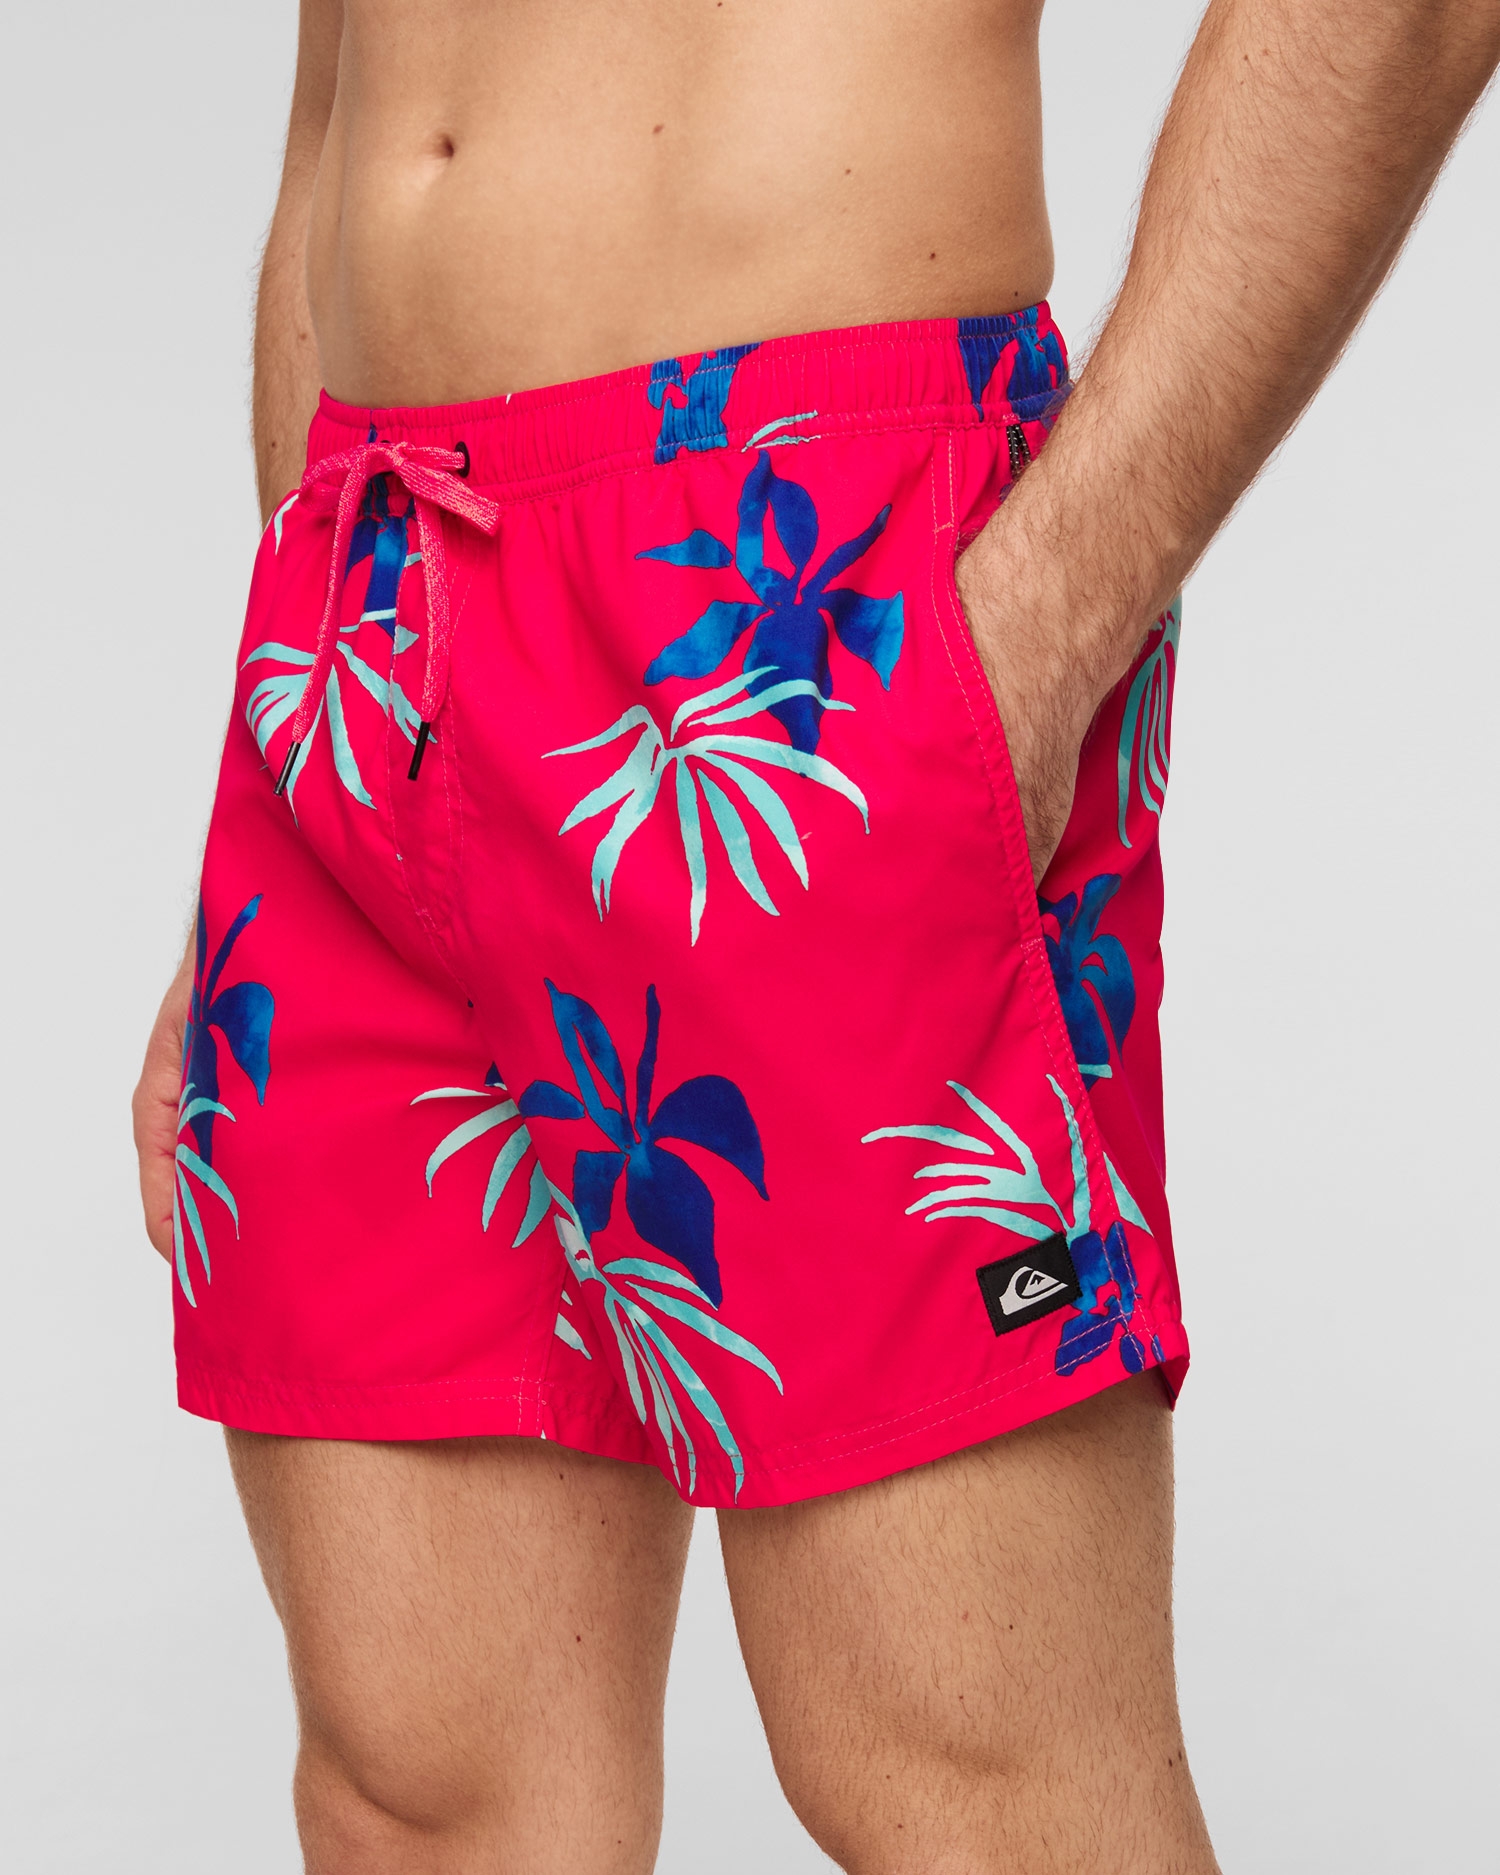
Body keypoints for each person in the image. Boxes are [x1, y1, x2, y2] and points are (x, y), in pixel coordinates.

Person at [131, 3, 1499, 1869]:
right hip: (363, 631)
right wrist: (307, 706)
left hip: (788, 609)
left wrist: (1042, 625)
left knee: (979, 1797)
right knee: (416, 1801)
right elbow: (339, 99)